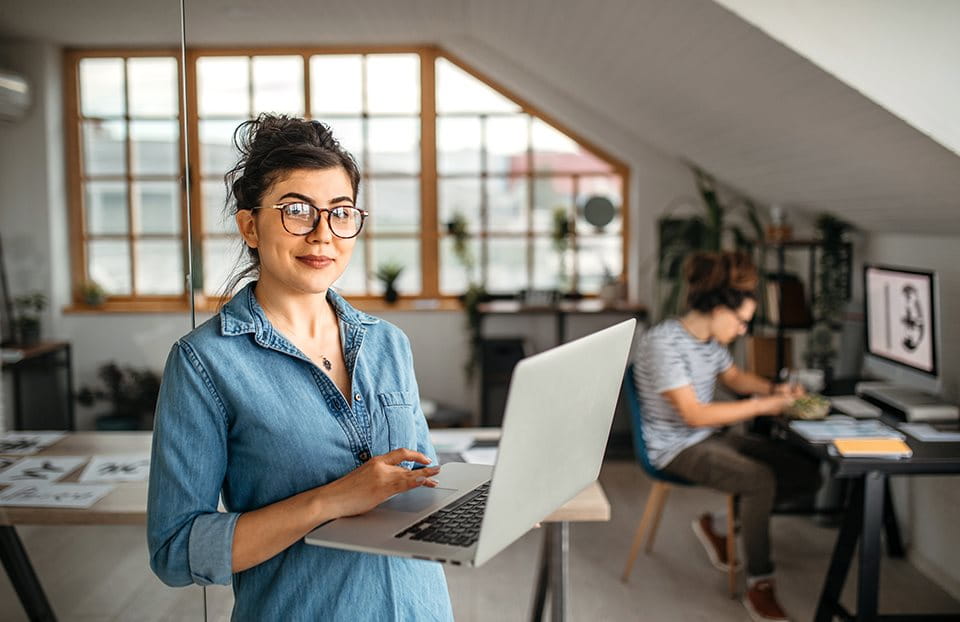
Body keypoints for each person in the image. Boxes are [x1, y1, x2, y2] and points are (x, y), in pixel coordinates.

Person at [147, 114, 453, 620]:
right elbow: (176, 550)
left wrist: (487, 504)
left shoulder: (388, 344)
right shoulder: (204, 364)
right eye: (296, 211)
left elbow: (418, 481)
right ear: (250, 225)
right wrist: (331, 500)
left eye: (341, 212)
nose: (322, 234)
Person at [632, 250, 820, 622]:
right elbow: (694, 414)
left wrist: (775, 391)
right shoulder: (664, 344)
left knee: (806, 473)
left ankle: (717, 523)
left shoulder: (710, 344)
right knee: (758, 480)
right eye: (741, 321)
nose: (743, 329)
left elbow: (734, 379)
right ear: (718, 308)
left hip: (708, 438)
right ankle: (760, 584)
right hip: (673, 449)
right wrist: (764, 407)